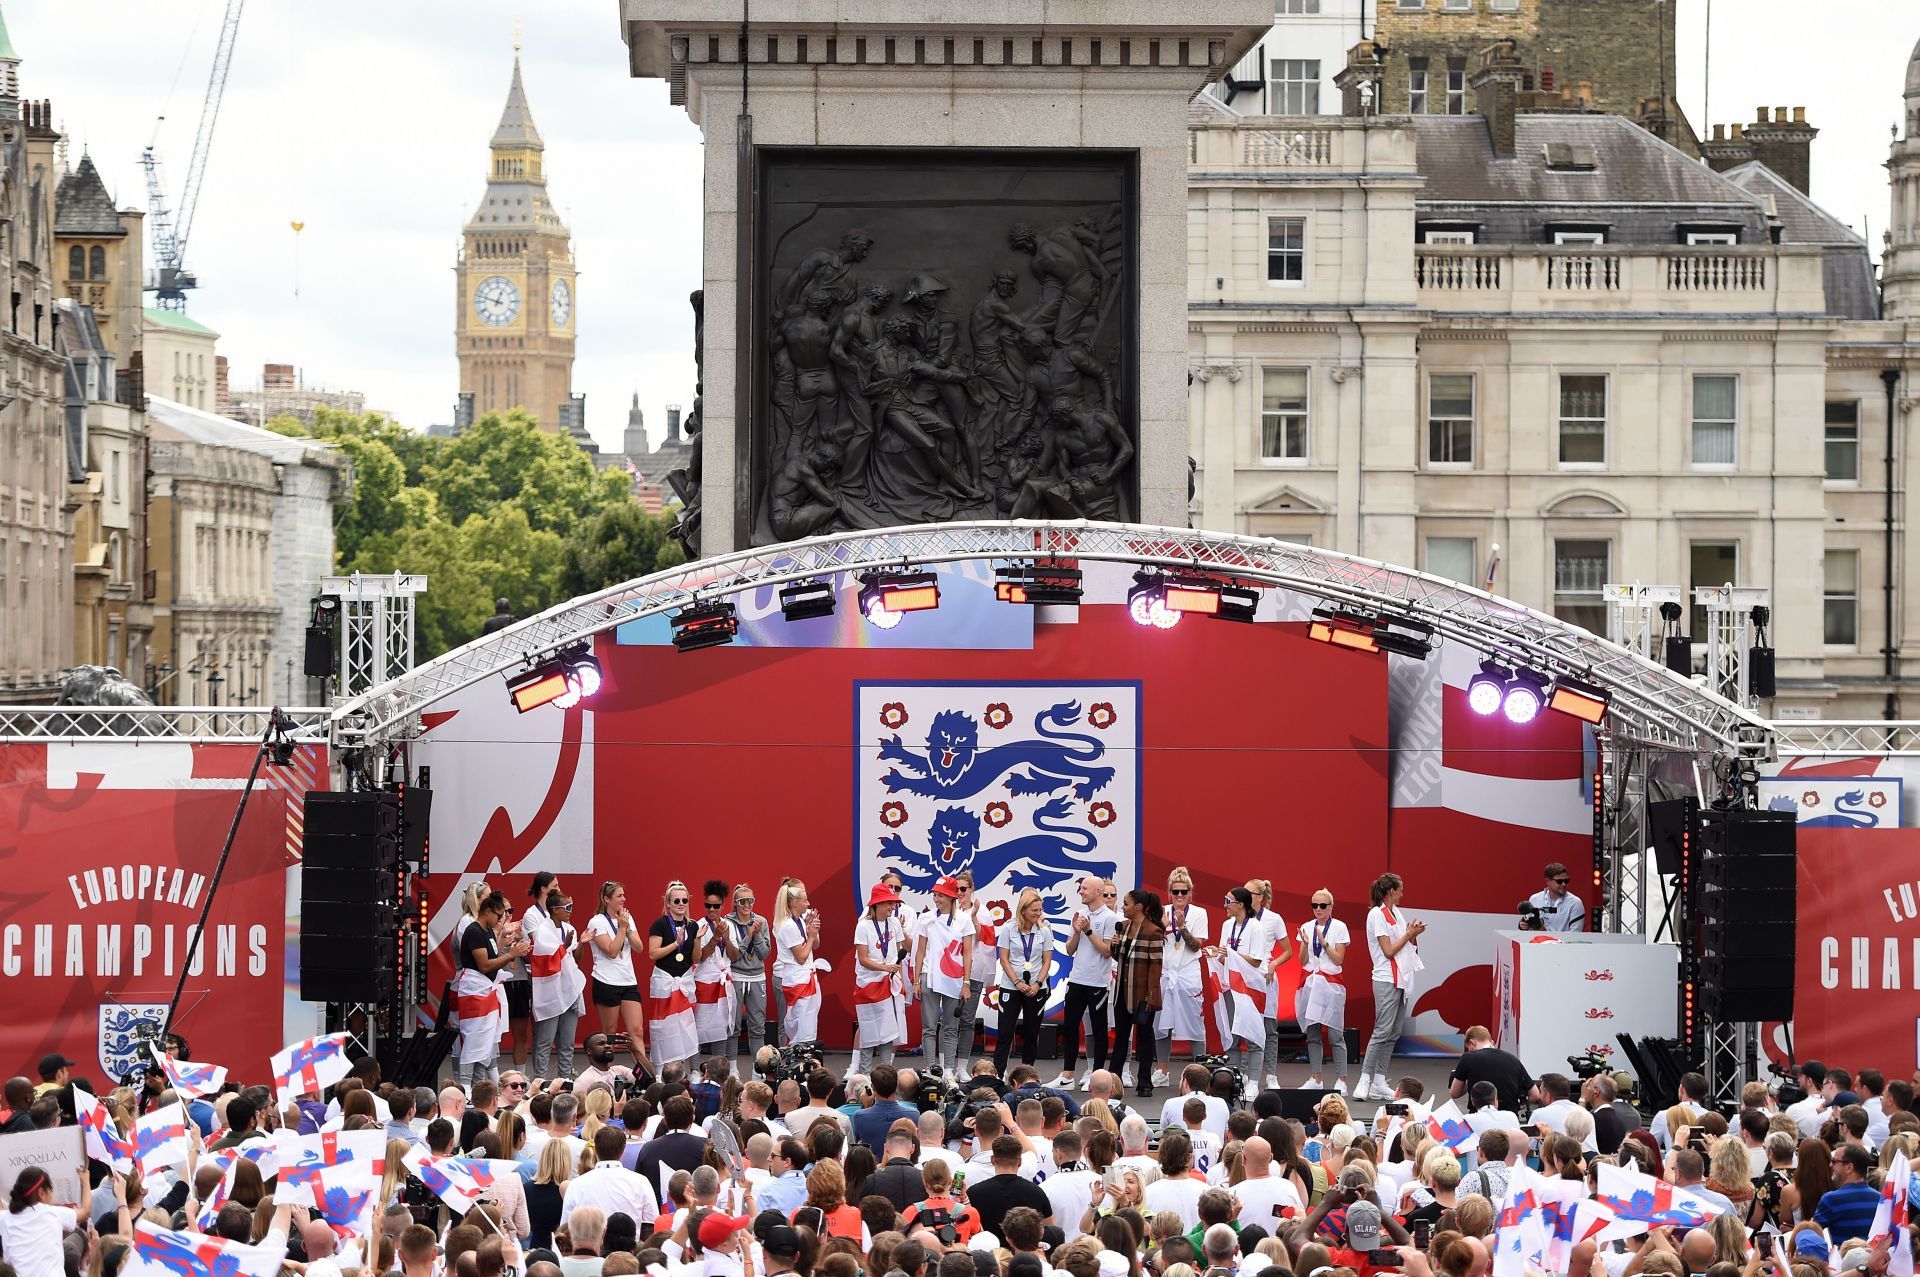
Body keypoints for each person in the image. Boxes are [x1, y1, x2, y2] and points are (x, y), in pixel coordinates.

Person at [1356, 873, 1423, 1102]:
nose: (1403, 893)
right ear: (1391, 891)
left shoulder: (1396, 913)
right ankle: (1364, 1079)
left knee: (1393, 1032)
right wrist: (1409, 934)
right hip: (1385, 978)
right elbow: (1388, 950)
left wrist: (1413, 935)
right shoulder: (1376, 914)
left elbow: (1403, 945)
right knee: (1381, 1031)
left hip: (1401, 978)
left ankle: (1379, 1081)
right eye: (1400, 889)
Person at [458, 891, 531, 1085]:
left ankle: (480, 1086)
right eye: (499, 915)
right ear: (488, 911)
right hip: (475, 992)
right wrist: (511, 954)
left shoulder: (488, 930)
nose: (501, 919)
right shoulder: (474, 931)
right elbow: (484, 965)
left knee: (487, 1041)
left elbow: (491, 954)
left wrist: (503, 945)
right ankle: (465, 1087)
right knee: (474, 1041)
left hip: (488, 990)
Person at [1055, 876, 1119, 1090]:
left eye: (1084, 889)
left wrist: (1089, 931)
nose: (1080, 892)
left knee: (1100, 1030)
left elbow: (1107, 951)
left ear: (1098, 892)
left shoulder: (1110, 917)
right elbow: (1069, 950)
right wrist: (1076, 931)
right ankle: (1067, 1075)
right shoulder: (1081, 915)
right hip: (1076, 979)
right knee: (1071, 1027)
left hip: (1098, 982)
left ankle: (1097, 1077)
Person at [586, 881, 655, 1075]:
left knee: (637, 1030)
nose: (623, 899)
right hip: (606, 981)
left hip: (628, 982)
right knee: (609, 1034)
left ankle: (646, 1075)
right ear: (607, 899)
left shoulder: (626, 917)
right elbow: (612, 951)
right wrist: (622, 929)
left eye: (624, 895)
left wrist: (627, 928)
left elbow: (639, 947)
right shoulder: (597, 921)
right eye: (619, 896)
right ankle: (605, 1074)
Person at [914, 876, 976, 1078]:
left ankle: (948, 1070)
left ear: (951, 897)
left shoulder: (964, 920)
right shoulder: (926, 918)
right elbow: (920, 951)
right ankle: (931, 1068)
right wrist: (916, 980)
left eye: (940, 895)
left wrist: (966, 982)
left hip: (953, 978)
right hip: (929, 977)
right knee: (929, 1028)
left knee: (951, 1027)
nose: (936, 899)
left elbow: (967, 954)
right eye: (935, 894)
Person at [1210, 888, 1270, 1096]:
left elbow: (1256, 960)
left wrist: (1232, 954)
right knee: (1232, 1035)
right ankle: (1235, 1078)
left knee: (1253, 1035)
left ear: (1241, 904)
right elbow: (1223, 956)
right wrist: (1214, 953)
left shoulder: (1256, 928)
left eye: (1229, 901)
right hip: (1230, 985)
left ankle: (1253, 1081)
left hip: (1250, 988)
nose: (1225, 904)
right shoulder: (1227, 926)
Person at [1156, 866, 1210, 1088]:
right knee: (1161, 1023)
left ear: (1190, 893)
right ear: (1169, 892)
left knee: (1195, 1022)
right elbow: (1154, 942)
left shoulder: (1199, 913)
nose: (1180, 896)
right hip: (1166, 973)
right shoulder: (1161, 911)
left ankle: (1200, 1071)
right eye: (1175, 891)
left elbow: (1197, 945)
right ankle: (1162, 1071)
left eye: (1184, 892)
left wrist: (1182, 928)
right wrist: (1162, 928)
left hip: (1188, 973)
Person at [1109, 889, 1166, 1100]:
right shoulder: (1123, 927)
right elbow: (1120, 959)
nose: (1123, 907)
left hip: (1142, 994)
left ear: (1139, 907)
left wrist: (1151, 996)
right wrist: (1115, 947)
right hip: (1122, 992)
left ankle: (1145, 1081)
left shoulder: (1153, 931)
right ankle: (1113, 1083)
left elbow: (1155, 967)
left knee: (1144, 1037)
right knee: (1120, 1039)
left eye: (1126, 903)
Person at [1295, 888, 1351, 1093]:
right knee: (1313, 1034)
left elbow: (1338, 959)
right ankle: (1316, 1078)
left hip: (1331, 984)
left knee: (1336, 1034)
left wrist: (1324, 942)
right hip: (1311, 983)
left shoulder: (1339, 927)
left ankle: (1341, 1080)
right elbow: (1302, 961)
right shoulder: (1306, 927)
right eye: (1314, 905)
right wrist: (1305, 944)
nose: (1318, 909)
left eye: (1322, 905)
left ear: (1331, 907)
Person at [531, 889, 588, 1082]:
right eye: (567, 907)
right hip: (550, 993)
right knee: (545, 1041)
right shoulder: (542, 931)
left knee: (567, 1043)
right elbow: (544, 962)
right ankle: (539, 1082)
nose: (571, 911)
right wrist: (564, 946)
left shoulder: (569, 928)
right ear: (555, 910)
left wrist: (581, 943)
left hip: (570, 990)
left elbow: (576, 959)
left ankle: (565, 1082)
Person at [994, 888, 1054, 1074]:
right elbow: (1004, 959)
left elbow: (1047, 960)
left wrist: (1037, 984)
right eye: (1034, 910)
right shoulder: (1008, 929)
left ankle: (1028, 1075)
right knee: (1004, 1033)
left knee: (1031, 1034)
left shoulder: (1044, 931)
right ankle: (998, 1074)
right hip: (1011, 987)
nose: (1038, 914)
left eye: (1040, 910)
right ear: (1023, 911)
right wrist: (1017, 982)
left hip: (1036, 988)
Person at [647, 881, 702, 1074]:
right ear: (668, 903)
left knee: (685, 1026)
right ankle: (661, 1072)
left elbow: (696, 958)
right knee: (663, 1027)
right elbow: (653, 954)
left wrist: (697, 940)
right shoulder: (660, 924)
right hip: (664, 980)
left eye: (684, 900)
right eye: (676, 900)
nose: (681, 903)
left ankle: (681, 1072)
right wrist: (675, 944)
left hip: (685, 980)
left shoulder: (693, 925)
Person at [853, 883, 909, 1068]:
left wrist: (900, 981)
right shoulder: (863, 926)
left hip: (890, 984)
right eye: (889, 903)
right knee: (869, 1032)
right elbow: (862, 959)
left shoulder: (894, 924)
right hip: (869, 985)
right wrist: (885, 968)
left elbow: (900, 951)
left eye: (893, 903)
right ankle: (864, 1076)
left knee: (889, 1032)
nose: (892, 907)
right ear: (877, 905)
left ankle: (886, 1074)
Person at [1245, 880, 1293, 1093]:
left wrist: (1273, 963)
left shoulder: (1274, 919)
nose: (1245, 895)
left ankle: (1271, 1074)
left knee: (1269, 1028)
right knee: (1247, 1027)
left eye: (1249, 893)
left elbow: (1287, 950)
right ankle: (1247, 1073)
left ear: (1261, 897)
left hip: (1266, 977)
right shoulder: (1240, 918)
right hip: (1245, 977)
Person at [1, 1165, 86, 1277]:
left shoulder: (5, 1218)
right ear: (42, 1193)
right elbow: (85, 1211)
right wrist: (86, 1182)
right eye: (51, 1190)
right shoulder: (51, 1212)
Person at [772, 878, 824, 1046]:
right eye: (805, 900)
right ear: (795, 903)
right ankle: (797, 1061)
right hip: (798, 981)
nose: (808, 903)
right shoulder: (787, 926)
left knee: (807, 1024)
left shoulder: (800, 921)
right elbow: (801, 957)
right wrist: (810, 936)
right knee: (801, 1027)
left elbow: (815, 945)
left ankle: (804, 1058)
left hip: (806, 978)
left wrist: (813, 931)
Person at [725, 884, 773, 1066]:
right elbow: (734, 956)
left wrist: (757, 935)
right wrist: (748, 935)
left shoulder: (761, 921)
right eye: (743, 901)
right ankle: (732, 1068)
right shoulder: (728, 922)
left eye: (750, 901)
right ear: (735, 903)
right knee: (733, 1026)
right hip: (736, 975)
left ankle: (758, 1068)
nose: (747, 905)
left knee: (757, 1027)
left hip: (757, 977)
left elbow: (764, 954)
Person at [693, 881, 741, 1063]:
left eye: (715, 906)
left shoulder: (729, 925)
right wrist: (715, 938)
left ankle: (718, 1071)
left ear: (722, 906)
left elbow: (735, 955)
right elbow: (700, 957)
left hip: (724, 981)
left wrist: (727, 938)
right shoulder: (699, 926)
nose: (711, 909)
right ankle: (696, 1070)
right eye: (707, 905)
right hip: (705, 982)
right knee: (699, 1027)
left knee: (722, 1027)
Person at [1447, 1027, 1531, 1113]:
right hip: (1509, 1120)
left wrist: (1468, 1079)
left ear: (1472, 1043)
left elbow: (1455, 1093)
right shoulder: (1514, 1060)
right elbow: (1535, 1094)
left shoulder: (1468, 1058)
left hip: (1478, 1120)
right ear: (1492, 1042)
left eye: (1468, 1048)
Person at [1813, 1144, 1878, 1242]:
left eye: (1834, 1161)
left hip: (1842, 1256)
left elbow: (1813, 1233)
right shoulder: (1880, 1199)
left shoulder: (1831, 1200)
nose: (1830, 1165)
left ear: (1849, 1167)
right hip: (1873, 1256)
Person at [1527, 863, 1585, 933]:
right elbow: (1529, 930)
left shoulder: (1575, 903)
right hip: (1536, 943)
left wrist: (1545, 932)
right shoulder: (1534, 899)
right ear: (1548, 881)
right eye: (1559, 881)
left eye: (1566, 881)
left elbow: (1575, 935)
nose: (1564, 884)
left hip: (1564, 943)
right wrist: (1523, 926)